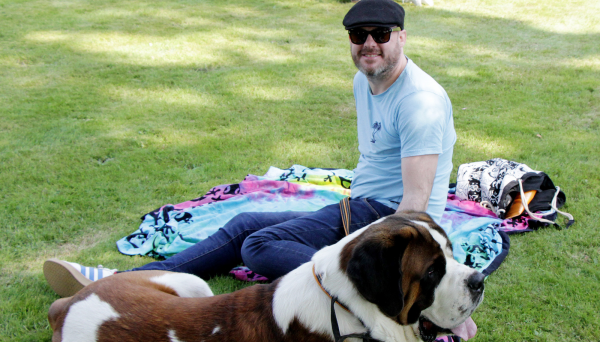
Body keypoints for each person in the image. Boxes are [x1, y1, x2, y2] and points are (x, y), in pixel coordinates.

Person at [44, 0, 456, 297]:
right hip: (361, 207)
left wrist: (394, 271)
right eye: (358, 35)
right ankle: (127, 281)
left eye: (380, 35)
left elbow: (415, 206)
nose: (369, 44)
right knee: (245, 225)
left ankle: (355, 285)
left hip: (388, 221)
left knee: (257, 246)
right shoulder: (364, 79)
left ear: (401, 37)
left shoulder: (419, 102)